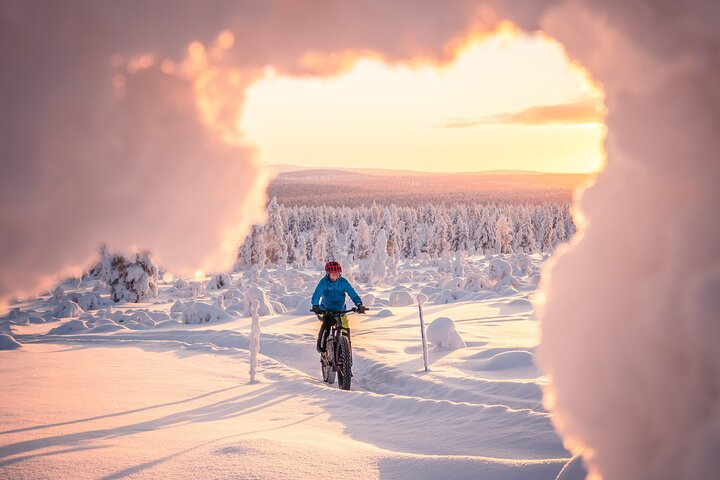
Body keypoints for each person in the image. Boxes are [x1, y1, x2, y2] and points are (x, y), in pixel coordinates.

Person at [311, 261, 367, 353]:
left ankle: (347, 354)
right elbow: (317, 294)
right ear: (328, 274)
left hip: (341, 311)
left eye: (337, 274)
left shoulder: (343, 282)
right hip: (326, 310)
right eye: (332, 275)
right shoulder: (324, 282)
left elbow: (352, 294)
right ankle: (321, 346)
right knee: (327, 324)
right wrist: (315, 306)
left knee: (346, 331)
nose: (335, 277)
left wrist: (359, 304)